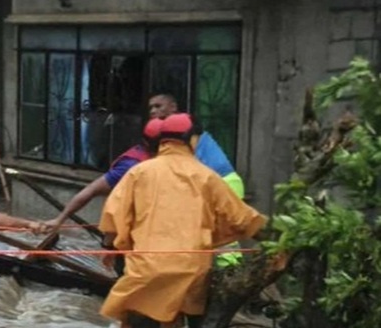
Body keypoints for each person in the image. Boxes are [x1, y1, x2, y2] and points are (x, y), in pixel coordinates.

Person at [98, 114, 266, 328]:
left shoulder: (138, 173)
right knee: (198, 320)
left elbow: (112, 217)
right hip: (193, 267)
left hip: (147, 267)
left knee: (143, 323)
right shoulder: (207, 176)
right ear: (191, 140)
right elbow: (242, 218)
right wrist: (277, 236)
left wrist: (110, 247)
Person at [41, 93, 246, 235]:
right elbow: (101, 198)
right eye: (151, 108)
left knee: (218, 241)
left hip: (219, 185)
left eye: (158, 106)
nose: (154, 111)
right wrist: (60, 220)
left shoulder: (184, 136)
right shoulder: (135, 166)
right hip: (208, 190)